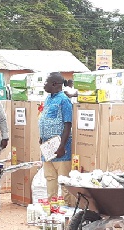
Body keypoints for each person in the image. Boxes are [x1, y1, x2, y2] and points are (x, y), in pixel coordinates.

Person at [39, 72, 75, 206]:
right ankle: (52, 208)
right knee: (50, 178)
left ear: (54, 84)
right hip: (47, 145)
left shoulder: (64, 100)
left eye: (46, 82)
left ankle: (68, 210)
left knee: (64, 181)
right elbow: (44, 118)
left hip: (60, 146)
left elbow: (67, 124)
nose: (44, 85)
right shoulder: (48, 98)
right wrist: (41, 137)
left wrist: (62, 147)